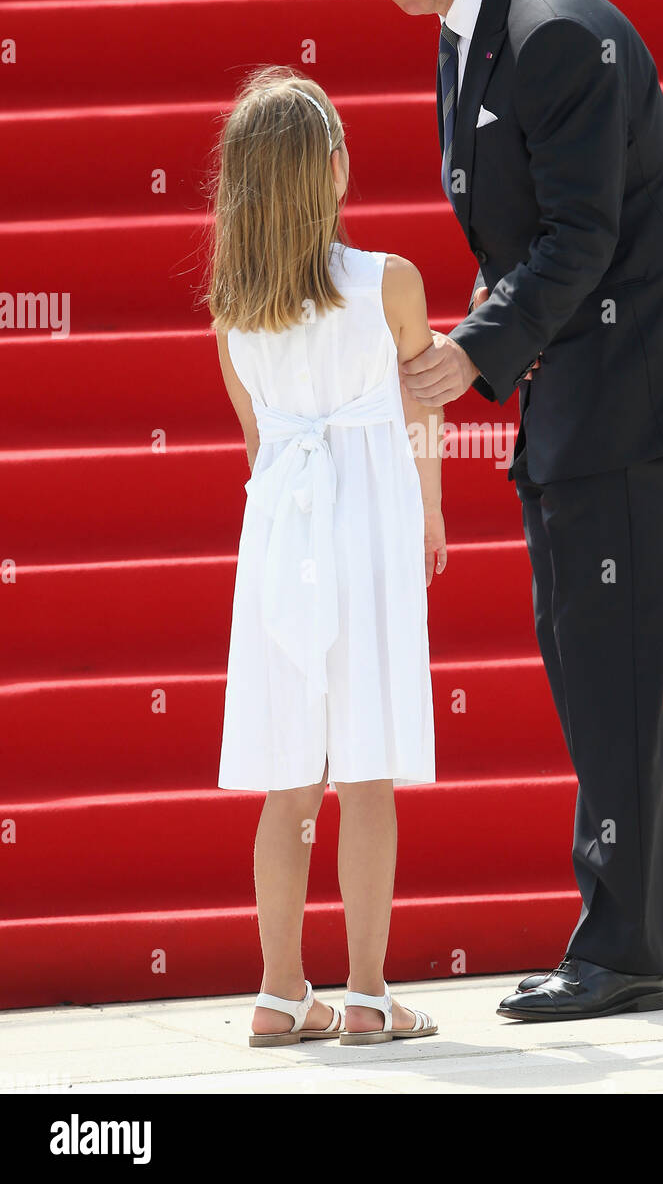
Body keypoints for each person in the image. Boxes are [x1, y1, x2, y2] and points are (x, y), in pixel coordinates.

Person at [308, 0, 663, 1021]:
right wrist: (489, 334)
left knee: (600, 669)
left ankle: (616, 947)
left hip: (627, 385)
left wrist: (476, 351)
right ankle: (654, 941)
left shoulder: (552, 32)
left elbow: (580, 237)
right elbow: (520, 231)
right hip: (582, 386)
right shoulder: (472, 30)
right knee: (599, 665)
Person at [207, 64, 443, 1046]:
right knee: (369, 768)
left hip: (279, 541)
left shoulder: (232, 312)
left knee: (286, 777)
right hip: (368, 530)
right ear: (335, 171)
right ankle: (367, 993)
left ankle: (276, 990)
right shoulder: (389, 281)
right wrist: (429, 516)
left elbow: (258, 448)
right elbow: (424, 411)